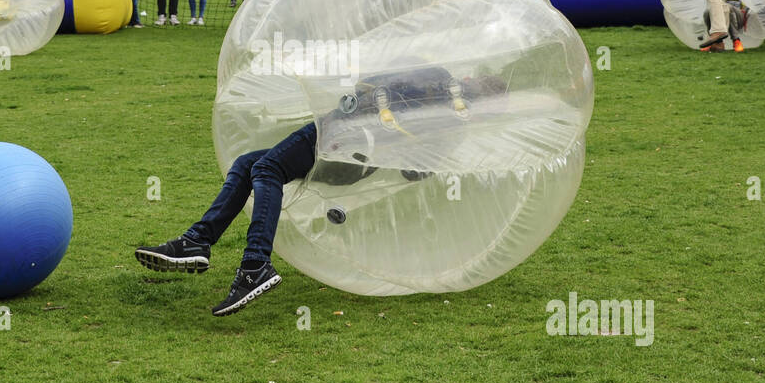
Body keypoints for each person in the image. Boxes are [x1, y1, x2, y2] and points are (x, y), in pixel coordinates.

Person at [134, 67, 502, 316]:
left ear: (471, 79)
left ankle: (255, 264)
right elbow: (413, 172)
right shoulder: (453, 127)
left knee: (266, 168)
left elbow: (370, 81)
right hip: (354, 166)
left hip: (342, 135)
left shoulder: (436, 78)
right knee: (249, 163)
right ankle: (197, 241)